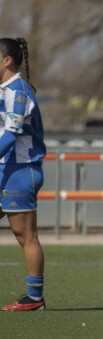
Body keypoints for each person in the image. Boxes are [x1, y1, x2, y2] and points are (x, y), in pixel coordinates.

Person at [0, 38, 48, 312]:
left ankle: (34, 298)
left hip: (21, 171)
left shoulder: (18, 91)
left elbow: (12, 132)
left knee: (25, 236)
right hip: (6, 169)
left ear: (7, 61)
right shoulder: (5, 89)